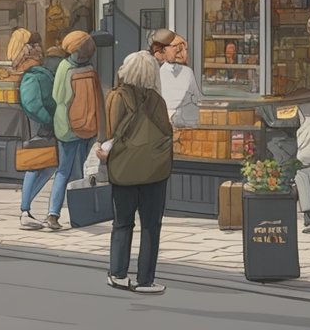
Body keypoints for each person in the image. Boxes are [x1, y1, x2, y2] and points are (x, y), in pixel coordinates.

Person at [98, 50, 173, 294]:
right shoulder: (157, 101)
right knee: (151, 225)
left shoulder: (116, 97)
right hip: (154, 171)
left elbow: (107, 132)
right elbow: (166, 132)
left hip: (124, 168)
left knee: (122, 223)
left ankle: (118, 273)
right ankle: (145, 280)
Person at [48, 30, 105, 231]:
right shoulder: (90, 69)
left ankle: (53, 213)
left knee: (63, 170)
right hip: (87, 126)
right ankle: (77, 212)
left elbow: (58, 97)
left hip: (66, 127)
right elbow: (98, 98)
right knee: (78, 170)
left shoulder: (64, 68)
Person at [13, 28, 57, 230]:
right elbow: (32, 104)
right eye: (36, 44)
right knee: (36, 165)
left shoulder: (36, 71)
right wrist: (49, 120)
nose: (41, 48)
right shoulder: (32, 74)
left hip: (46, 124)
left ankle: (26, 208)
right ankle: (25, 210)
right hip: (42, 126)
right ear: (28, 49)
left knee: (47, 165)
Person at [156, 32, 202, 129]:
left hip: (184, 123)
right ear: (164, 49)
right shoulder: (157, 73)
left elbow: (197, 98)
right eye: (174, 46)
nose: (178, 50)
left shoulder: (188, 72)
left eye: (181, 47)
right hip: (163, 123)